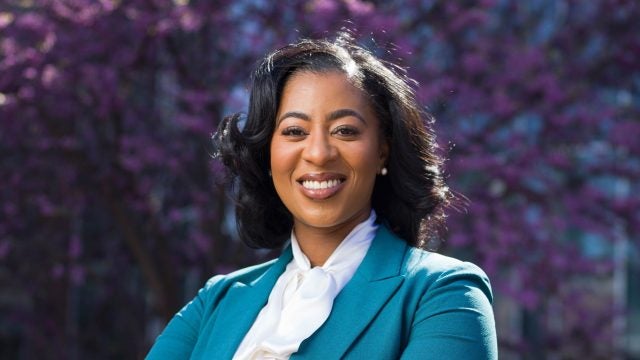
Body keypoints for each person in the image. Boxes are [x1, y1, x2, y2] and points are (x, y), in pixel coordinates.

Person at [146, 34, 498, 359]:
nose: (318, 153)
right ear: (268, 154)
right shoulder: (218, 300)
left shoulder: (443, 295)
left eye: (345, 130)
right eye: (294, 131)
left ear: (383, 151)